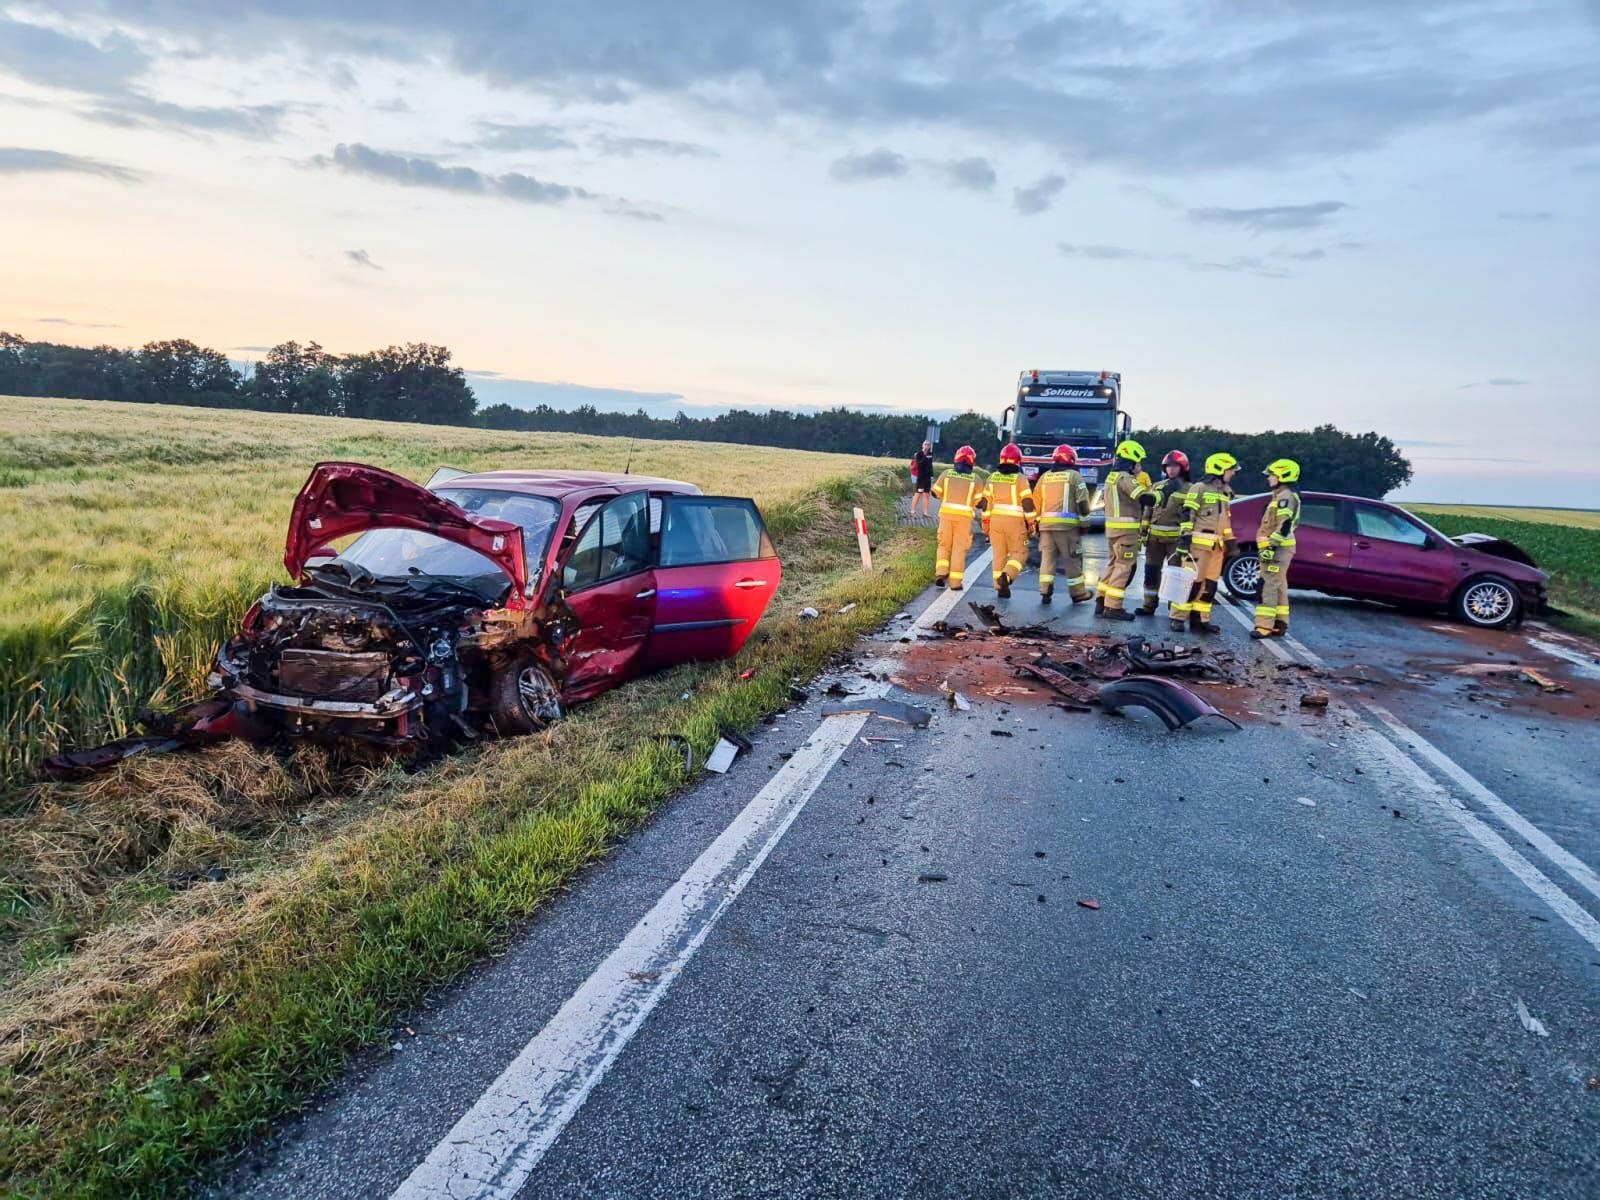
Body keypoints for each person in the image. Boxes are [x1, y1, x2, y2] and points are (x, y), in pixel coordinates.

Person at [1173, 452, 1239, 634]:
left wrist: (1230, 542)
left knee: (1209, 586)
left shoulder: (1225, 493)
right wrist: (1185, 538)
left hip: (1217, 548)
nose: (1233, 473)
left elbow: (1225, 521)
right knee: (1191, 584)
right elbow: (1188, 513)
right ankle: (1178, 618)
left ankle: (1200, 620)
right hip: (1198, 546)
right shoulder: (1199, 488)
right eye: (1230, 470)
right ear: (1219, 470)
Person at [1096, 439, 1155, 621]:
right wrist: (1160, 493)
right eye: (1139, 462)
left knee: (1113, 564)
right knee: (1123, 567)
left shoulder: (1111, 477)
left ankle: (1101, 600)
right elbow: (1145, 498)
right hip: (1127, 531)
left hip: (1113, 529)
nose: (1140, 466)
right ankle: (1113, 607)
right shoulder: (1126, 478)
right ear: (1132, 461)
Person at [1135, 450, 1191, 616]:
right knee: (1151, 572)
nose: (1171, 470)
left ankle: (1173, 609)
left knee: (1175, 576)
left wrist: (1186, 540)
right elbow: (1148, 511)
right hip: (1154, 539)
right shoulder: (1158, 486)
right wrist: (1143, 532)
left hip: (1175, 540)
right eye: (1168, 466)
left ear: (1183, 468)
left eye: (1175, 466)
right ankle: (1148, 605)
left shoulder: (1190, 489)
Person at [1033, 444, 1091, 603]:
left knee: (1047, 559)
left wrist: (1035, 524)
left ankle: (1045, 591)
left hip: (1045, 527)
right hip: (1067, 527)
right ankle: (1078, 593)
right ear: (1072, 459)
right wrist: (1085, 523)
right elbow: (1083, 502)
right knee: (1072, 559)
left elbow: (1035, 502)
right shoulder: (1074, 476)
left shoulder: (1044, 477)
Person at [1252, 458, 1302, 638]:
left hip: (1277, 549)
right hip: (1280, 548)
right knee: (1279, 585)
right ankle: (1280, 623)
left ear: (1283, 475)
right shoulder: (1282, 495)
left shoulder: (1285, 497)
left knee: (1268, 585)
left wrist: (1270, 547)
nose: (1269, 478)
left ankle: (1264, 627)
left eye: (1272, 475)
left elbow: (1284, 525)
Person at [980, 443, 1035, 598]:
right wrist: (1032, 523)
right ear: (1018, 460)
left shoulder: (992, 478)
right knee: (1020, 552)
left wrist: (986, 524)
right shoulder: (1020, 479)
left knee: (999, 555)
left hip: (996, 522)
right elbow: (1027, 503)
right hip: (1015, 523)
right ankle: (1007, 576)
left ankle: (999, 587)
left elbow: (985, 504)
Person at [931, 445, 983, 589]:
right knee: (958, 549)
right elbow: (980, 502)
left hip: (946, 516)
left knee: (944, 545)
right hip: (964, 519)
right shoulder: (976, 479)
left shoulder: (946, 474)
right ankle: (955, 583)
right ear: (972, 461)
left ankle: (941, 573)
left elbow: (935, 493)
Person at [909, 440, 936, 517]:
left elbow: (930, 465)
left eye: (928, 445)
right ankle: (912, 510)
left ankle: (925, 512)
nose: (927, 446)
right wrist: (924, 455)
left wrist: (932, 476)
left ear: (930, 446)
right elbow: (919, 464)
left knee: (926, 494)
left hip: (928, 477)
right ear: (922, 445)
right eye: (925, 444)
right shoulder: (919, 454)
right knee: (918, 493)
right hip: (921, 477)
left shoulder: (931, 454)